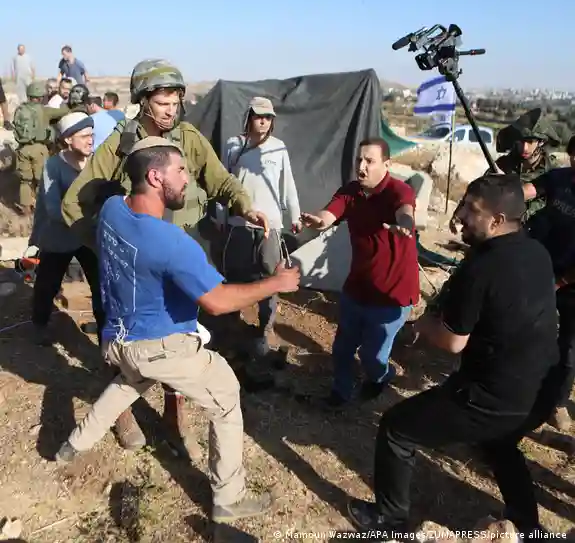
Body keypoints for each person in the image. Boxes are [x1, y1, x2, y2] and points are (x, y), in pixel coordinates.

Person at [56, 137, 301, 525]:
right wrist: (276, 283)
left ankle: (74, 443)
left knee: (130, 380)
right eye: (181, 170)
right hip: (156, 346)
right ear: (156, 176)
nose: (188, 178)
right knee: (225, 393)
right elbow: (217, 301)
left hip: (116, 338)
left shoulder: (112, 209)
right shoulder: (173, 243)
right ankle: (229, 499)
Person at [61, 58, 267, 455]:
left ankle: (175, 412)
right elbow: (74, 203)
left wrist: (244, 205)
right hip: (132, 268)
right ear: (143, 102)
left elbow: (219, 179)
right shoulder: (122, 145)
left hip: (175, 255)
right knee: (123, 334)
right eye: (162, 103)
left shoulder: (187, 138)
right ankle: (123, 414)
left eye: (175, 103)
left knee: (180, 335)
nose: (171, 111)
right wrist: (112, 247)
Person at [347, 174, 561, 538]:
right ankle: (527, 525)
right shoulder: (536, 251)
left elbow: (452, 341)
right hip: (533, 389)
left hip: (490, 395)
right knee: (500, 441)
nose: (460, 216)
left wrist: (423, 324)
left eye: (471, 210)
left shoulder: (482, 268)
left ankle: (389, 518)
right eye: (463, 205)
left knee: (397, 428)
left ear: (497, 220)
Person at [301, 137, 419, 407]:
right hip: (358, 287)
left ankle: (381, 377)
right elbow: (329, 214)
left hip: (392, 294)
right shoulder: (351, 192)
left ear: (386, 164)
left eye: (369, 161)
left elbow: (405, 209)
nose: (361, 167)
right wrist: (318, 221)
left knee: (372, 357)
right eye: (359, 160)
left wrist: (405, 223)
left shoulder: (398, 190)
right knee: (342, 349)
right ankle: (340, 393)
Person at [219, 97, 302, 356]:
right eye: (258, 116)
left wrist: (295, 216)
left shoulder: (278, 148)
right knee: (236, 275)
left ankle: (265, 327)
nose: (263, 121)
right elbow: (222, 182)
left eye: (268, 117)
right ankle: (231, 324)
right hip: (239, 222)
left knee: (271, 277)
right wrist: (221, 215)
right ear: (249, 117)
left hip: (271, 225)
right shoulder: (233, 145)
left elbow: (288, 184)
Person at [29, 112, 104, 345]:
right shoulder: (54, 166)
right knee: (47, 284)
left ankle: (107, 335)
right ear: (68, 140)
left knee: (101, 286)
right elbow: (53, 209)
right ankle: (40, 324)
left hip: (88, 236)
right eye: (84, 136)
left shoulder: (97, 162)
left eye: (91, 135)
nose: (90, 140)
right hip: (59, 235)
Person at [522, 165, 575, 433]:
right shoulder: (559, 177)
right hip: (542, 266)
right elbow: (529, 190)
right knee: (521, 327)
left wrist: (558, 283)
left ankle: (557, 402)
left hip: (571, 283)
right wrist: (504, 194)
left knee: (568, 347)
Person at [449, 108, 560, 233]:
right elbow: (480, 188)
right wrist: (460, 213)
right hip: (504, 229)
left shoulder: (552, 171)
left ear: (541, 142)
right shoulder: (504, 164)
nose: (525, 147)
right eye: (522, 141)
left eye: (530, 142)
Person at [13, 81, 66, 214]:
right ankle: (39, 207)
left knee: (25, 180)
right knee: (41, 179)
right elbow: (64, 111)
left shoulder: (20, 110)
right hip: (39, 148)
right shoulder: (44, 110)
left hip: (22, 148)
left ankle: (25, 208)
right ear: (41, 97)